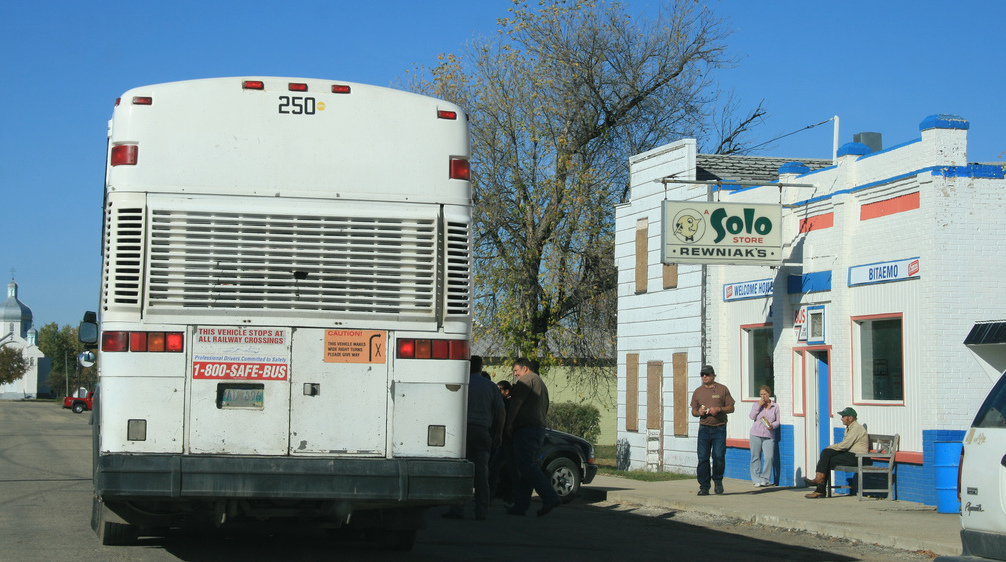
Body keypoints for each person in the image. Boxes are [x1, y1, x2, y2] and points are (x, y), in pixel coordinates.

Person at [445, 355, 505, 519]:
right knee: (481, 473)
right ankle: (481, 510)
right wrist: (498, 433)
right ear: (481, 367)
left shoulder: (461, 385)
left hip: (461, 432)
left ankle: (456, 508)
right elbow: (500, 412)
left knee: (459, 470)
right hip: (482, 431)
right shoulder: (490, 387)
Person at [504, 357, 560, 516]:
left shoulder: (527, 380)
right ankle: (521, 506)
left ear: (525, 369)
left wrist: (509, 423)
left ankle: (550, 496)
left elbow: (516, 402)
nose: (515, 374)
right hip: (539, 429)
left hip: (526, 429)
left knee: (527, 466)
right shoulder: (540, 383)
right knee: (527, 468)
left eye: (516, 370)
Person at [804, 407, 869, 499]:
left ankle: (819, 484)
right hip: (850, 454)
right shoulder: (850, 428)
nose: (841, 418)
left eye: (843, 416)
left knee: (826, 454)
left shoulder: (856, 428)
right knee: (827, 458)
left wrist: (830, 447)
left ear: (850, 418)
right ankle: (819, 486)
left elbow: (845, 445)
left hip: (857, 457)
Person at [690, 364, 735, 496]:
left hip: (719, 428)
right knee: (703, 458)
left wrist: (719, 409)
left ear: (713, 375)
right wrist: (699, 412)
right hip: (704, 428)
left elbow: (731, 407)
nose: (704, 377)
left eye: (707, 374)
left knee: (718, 456)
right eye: (702, 375)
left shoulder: (722, 389)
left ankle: (718, 481)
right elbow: (693, 410)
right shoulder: (698, 391)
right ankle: (704, 486)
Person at [749, 385, 780, 487]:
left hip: (769, 435)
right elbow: (751, 416)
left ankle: (765, 478)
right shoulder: (756, 405)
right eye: (761, 394)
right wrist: (758, 405)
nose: (763, 397)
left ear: (769, 394)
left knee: (769, 457)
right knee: (755, 457)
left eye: (765, 394)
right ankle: (756, 479)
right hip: (756, 434)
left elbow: (778, 421)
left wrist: (773, 426)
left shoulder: (775, 407)